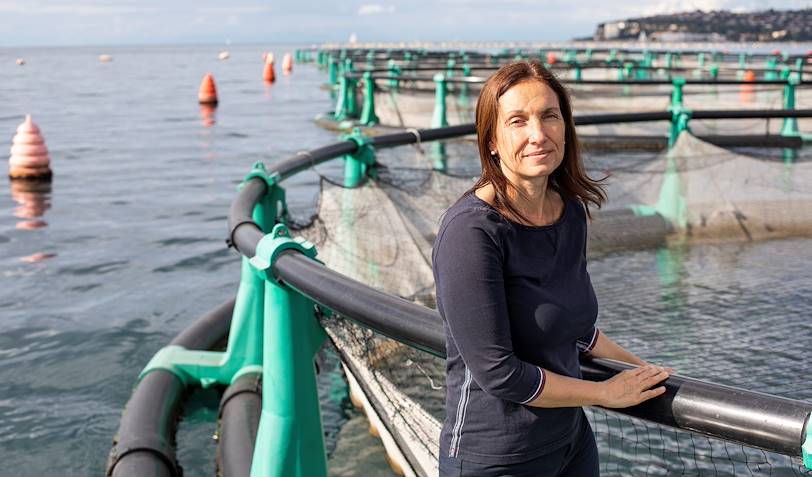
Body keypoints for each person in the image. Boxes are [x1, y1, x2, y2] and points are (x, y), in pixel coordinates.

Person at [432, 60, 670, 477]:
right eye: (517, 121)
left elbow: (576, 331)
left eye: (550, 116)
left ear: (566, 127)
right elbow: (498, 372)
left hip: (570, 441)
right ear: (490, 140)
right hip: (497, 457)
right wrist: (604, 393)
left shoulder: (569, 212)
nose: (538, 135)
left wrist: (648, 374)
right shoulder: (471, 232)